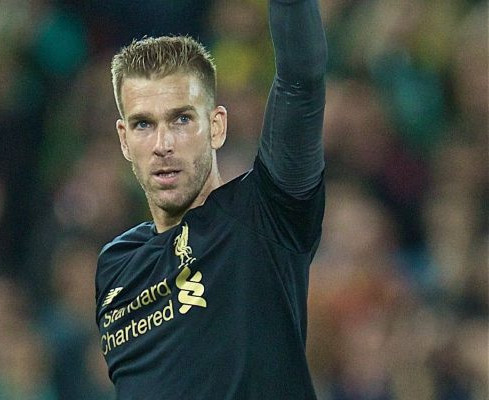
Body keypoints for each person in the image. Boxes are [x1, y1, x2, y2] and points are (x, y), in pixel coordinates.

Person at [95, 0, 327, 398]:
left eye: (181, 119)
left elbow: (300, 81)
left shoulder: (266, 214)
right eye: (143, 125)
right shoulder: (115, 265)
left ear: (216, 127)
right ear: (123, 139)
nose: (162, 145)